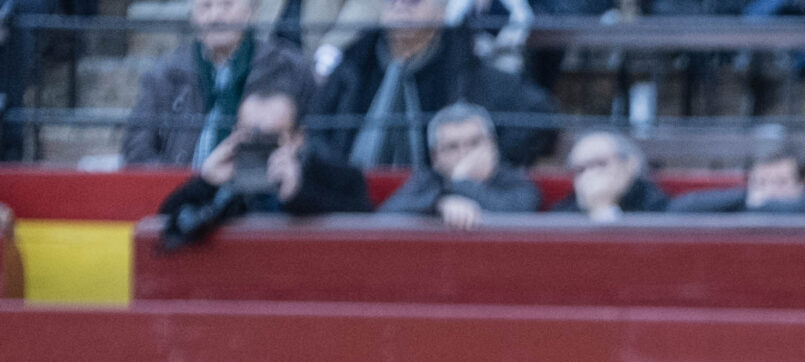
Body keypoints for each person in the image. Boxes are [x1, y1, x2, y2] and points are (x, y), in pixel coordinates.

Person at [307, 0, 556, 169]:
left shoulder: (464, 65)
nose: (400, 5)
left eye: (413, 0)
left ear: (441, 11)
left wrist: (490, 159)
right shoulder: (355, 62)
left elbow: (539, 116)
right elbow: (319, 129)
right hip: (353, 198)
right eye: (392, 0)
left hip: (438, 203)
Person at [158, 58, 375, 228]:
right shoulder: (225, 181)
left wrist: (298, 193)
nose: (260, 147)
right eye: (250, 136)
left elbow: (363, 226)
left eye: (271, 138)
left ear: (297, 137)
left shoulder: (338, 177)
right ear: (236, 132)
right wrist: (207, 182)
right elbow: (164, 225)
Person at [121, 0, 282, 167]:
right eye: (206, 6)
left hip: (254, 188)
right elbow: (137, 149)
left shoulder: (282, 68)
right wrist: (178, 186)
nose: (215, 16)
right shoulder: (166, 73)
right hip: (184, 187)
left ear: (250, 13)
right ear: (194, 17)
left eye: (227, 5)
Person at [377, 102, 539, 228]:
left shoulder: (515, 179)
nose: (464, 154)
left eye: (474, 143)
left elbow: (519, 212)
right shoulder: (428, 180)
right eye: (452, 147)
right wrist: (439, 204)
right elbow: (384, 217)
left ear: (492, 145)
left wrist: (461, 181)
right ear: (435, 158)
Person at [668, 139, 805, 216]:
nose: (769, 190)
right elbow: (680, 208)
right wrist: (747, 198)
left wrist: (761, 204)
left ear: (802, 183)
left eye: (781, 182)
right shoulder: (744, 200)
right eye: (761, 182)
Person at [554, 127, 669, 219]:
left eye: (600, 164)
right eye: (580, 170)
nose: (590, 175)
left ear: (630, 164)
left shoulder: (662, 211)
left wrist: (603, 207)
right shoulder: (561, 217)